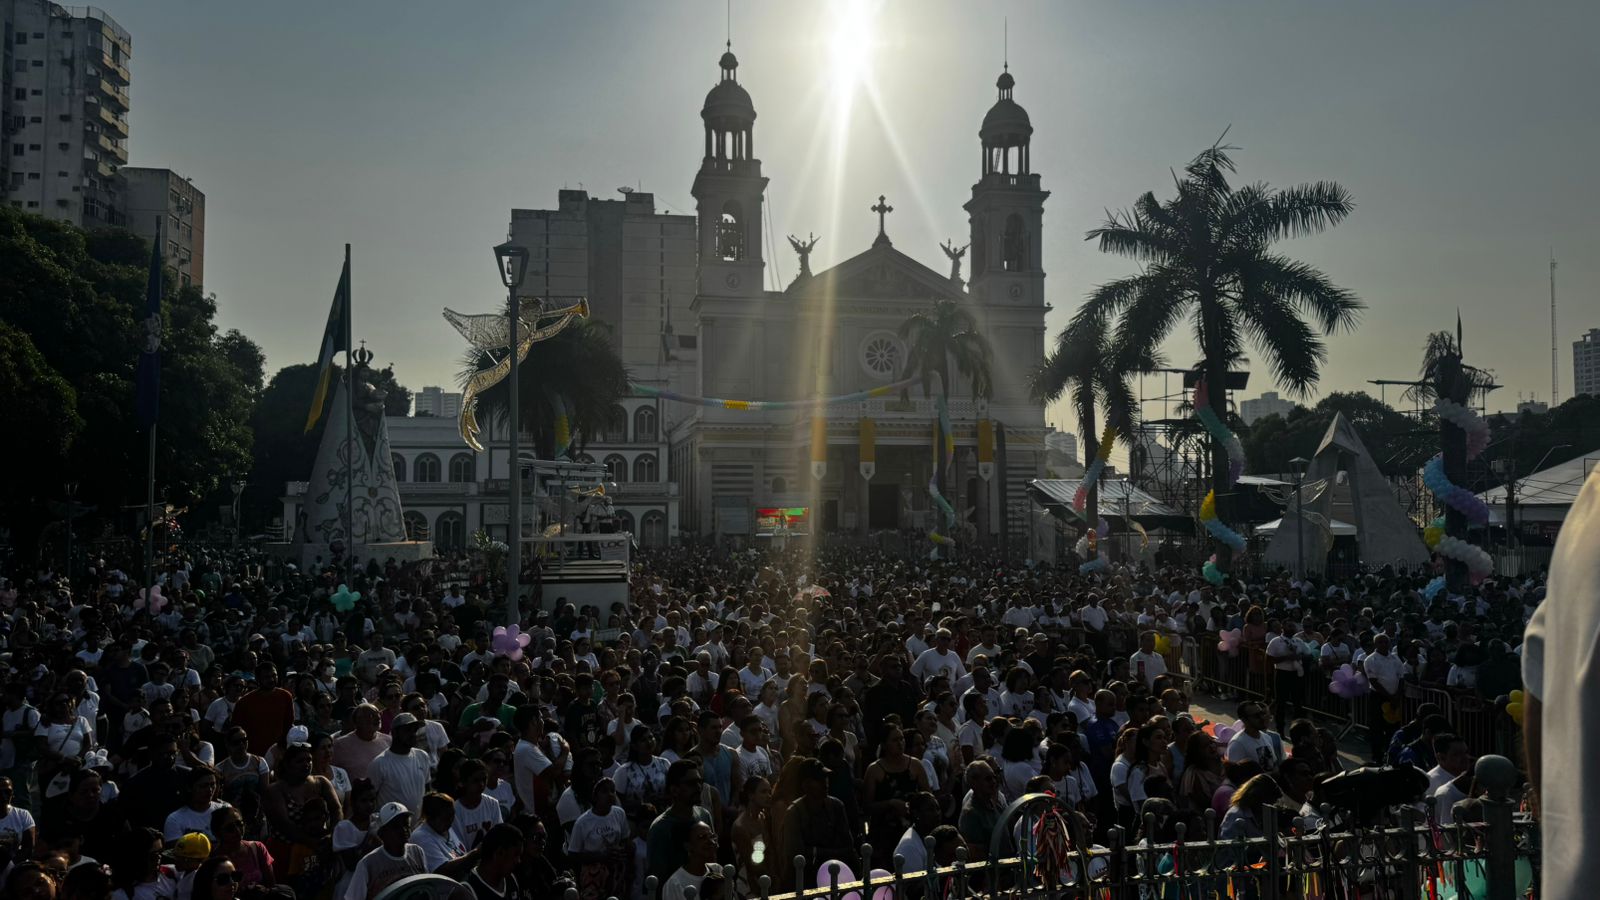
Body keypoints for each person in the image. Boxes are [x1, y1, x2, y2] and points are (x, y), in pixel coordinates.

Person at [778, 758, 855, 890]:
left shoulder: (836, 806)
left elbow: (848, 847)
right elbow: (797, 856)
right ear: (805, 785)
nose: (825, 783)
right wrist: (832, 852)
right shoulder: (794, 813)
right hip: (805, 883)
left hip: (835, 877)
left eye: (826, 778)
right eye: (819, 780)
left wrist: (815, 851)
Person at [645, 760, 713, 887]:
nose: (698, 788)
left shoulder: (704, 816)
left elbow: (712, 860)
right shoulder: (660, 829)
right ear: (674, 790)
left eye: (700, 782)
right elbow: (657, 880)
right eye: (691, 783)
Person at [343, 802, 426, 900]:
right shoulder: (368, 863)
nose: (404, 829)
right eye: (396, 827)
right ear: (382, 833)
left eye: (406, 824)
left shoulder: (417, 851)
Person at [565, 777, 630, 900]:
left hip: (616, 871)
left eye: (613, 790)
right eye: (604, 791)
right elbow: (573, 854)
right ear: (595, 796)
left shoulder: (619, 813)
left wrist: (622, 851)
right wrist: (600, 856)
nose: (610, 794)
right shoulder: (583, 822)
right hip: (592, 875)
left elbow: (625, 840)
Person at [367, 714, 431, 816]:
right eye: (408, 730)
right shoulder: (379, 763)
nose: (413, 734)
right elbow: (369, 799)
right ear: (395, 733)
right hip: (391, 829)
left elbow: (427, 789)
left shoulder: (422, 756)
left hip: (417, 827)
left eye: (415, 730)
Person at [230, 664, 294, 757]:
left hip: (279, 753)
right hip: (253, 754)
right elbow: (236, 731)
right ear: (257, 678)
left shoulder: (285, 696)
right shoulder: (244, 702)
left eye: (274, 676)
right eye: (267, 677)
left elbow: (288, 724)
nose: (271, 680)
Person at [661, 821, 723, 900]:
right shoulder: (675, 884)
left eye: (712, 836)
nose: (711, 841)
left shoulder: (717, 870)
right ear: (687, 846)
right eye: (702, 837)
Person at [408, 792, 465, 873]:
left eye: (452, 815)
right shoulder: (421, 837)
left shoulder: (446, 828)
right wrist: (474, 854)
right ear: (431, 817)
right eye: (446, 818)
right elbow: (442, 871)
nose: (451, 821)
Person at [464, 823, 523, 900]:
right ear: (499, 852)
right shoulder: (467, 891)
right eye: (516, 854)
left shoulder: (511, 880)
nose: (518, 861)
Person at [1224, 702, 1283, 773]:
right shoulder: (1237, 744)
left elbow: (1274, 764)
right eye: (1256, 716)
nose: (1262, 718)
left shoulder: (1267, 737)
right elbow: (1235, 774)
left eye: (1262, 713)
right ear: (1244, 720)